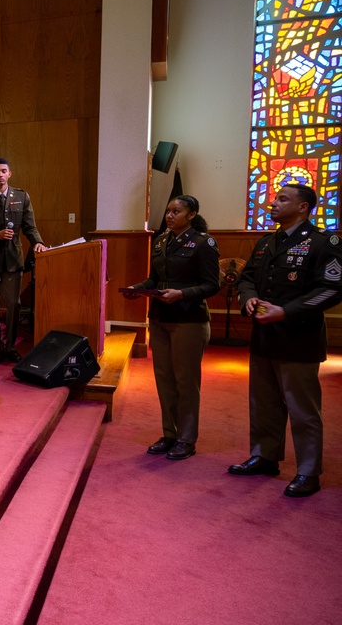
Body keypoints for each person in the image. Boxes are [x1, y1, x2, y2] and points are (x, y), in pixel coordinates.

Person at [229, 183, 342, 497]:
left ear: (303, 207)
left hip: (298, 338)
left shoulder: (323, 242)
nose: (272, 203)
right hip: (265, 336)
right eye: (274, 197)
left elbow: (332, 288)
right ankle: (265, 456)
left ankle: (308, 472)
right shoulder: (267, 242)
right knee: (263, 403)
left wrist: (286, 312)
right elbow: (248, 277)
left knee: (302, 409)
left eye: (282, 198)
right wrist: (248, 300)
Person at [123, 195, 220, 460]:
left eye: (176, 211)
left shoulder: (203, 242)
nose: (170, 215)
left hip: (188, 320)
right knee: (165, 379)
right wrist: (137, 289)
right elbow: (155, 278)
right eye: (168, 211)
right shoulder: (162, 240)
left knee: (186, 381)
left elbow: (212, 285)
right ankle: (170, 434)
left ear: (191, 215)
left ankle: (187, 439)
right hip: (160, 317)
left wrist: (182, 294)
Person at [0, 158, 48, 363]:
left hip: (12, 259)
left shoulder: (21, 196)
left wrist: (37, 242)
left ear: (9, 174)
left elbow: (30, 226)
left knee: (13, 304)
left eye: (3, 171)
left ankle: (10, 346)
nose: (0, 175)